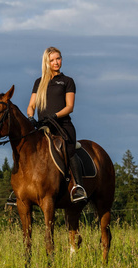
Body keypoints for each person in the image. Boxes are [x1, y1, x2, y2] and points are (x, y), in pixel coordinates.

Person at [27, 46, 87, 202]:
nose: (56, 62)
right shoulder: (38, 82)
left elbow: (69, 107)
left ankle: (78, 187)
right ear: (46, 62)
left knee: (68, 149)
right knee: (24, 149)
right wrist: (30, 117)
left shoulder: (67, 81)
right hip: (42, 128)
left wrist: (54, 115)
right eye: (52, 60)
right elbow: (31, 105)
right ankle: (19, 188)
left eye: (58, 58)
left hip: (62, 126)